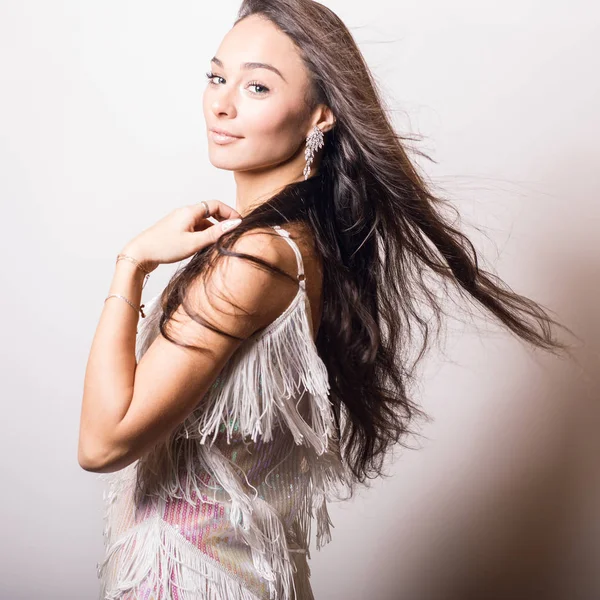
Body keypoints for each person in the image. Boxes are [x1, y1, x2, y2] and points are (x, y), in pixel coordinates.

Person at [78, 1, 576, 598]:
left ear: (320, 115)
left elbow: (104, 442)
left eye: (257, 86)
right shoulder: (302, 245)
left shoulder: (255, 259)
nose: (221, 103)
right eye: (217, 77)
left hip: (195, 583)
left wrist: (130, 265)